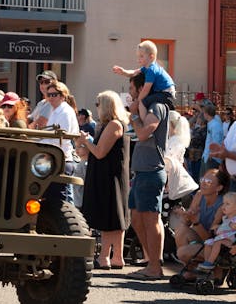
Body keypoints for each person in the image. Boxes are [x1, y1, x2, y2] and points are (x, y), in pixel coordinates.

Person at [125, 72, 169, 280]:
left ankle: (155, 266)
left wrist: (133, 115)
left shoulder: (157, 107)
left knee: (151, 220)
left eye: (133, 88)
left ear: (142, 89)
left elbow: (144, 134)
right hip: (142, 172)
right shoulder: (146, 107)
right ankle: (151, 261)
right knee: (136, 218)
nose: (130, 92)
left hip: (152, 171)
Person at [80, 90, 130, 270]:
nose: (97, 107)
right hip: (108, 175)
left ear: (107, 106)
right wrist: (85, 144)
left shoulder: (115, 125)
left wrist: (86, 142)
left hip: (110, 177)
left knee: (111, 218)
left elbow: (100, 152)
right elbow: (91, 153)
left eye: (98, 104)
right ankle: (116, 257)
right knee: (114, 218)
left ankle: (105, 257)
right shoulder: (110, 125)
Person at [173, 168, 230, 268]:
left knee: (182, 252)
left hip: (216, 246)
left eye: (208, 182)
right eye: (203, 180)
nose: (203, 184)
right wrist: (184, 215)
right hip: (203, 241)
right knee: (181, 228)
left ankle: (213, 269)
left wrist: (196, 222)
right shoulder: (199, 195)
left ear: (219, 188)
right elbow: (187, 221)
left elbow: (209, 238)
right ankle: (189, 270)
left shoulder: (222, 205)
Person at [39, 81, 79, 203]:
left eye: (54, 94)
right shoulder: (55, 110)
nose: (50, 97)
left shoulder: (65, 112)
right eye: (48, 94)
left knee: (61, 202)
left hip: (61, 159)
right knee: (53, 198)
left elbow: (61, 138)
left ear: (62, 96)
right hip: (54, 158)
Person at [112, 40, 176, 111]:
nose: (138, 59)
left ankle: (145, 120)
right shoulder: (146, 68)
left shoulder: (152, 70)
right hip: (161, 92)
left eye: (141, 56)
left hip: (166, 94)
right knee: (144, 100)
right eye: (138, 56)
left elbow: (145, 90)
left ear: (151, 57)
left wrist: (137, 102)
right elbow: (134, 73)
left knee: (143, 102)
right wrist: (124, 72)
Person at [197, 191, 236, 271]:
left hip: (230, 242)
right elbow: (226, 230)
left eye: (227, 204)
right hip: (222, 239)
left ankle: (210, 262)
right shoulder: (226, 218)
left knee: (217, 243)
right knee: (208, 243)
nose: (223, 206)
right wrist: (218, 228)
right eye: (223, 203)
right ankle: (208, 262)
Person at [201, 102, 224, 174]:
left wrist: (212, 154)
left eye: (204, 112)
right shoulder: (211, 123)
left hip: (212, 158)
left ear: (207, 113)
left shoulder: (215, 125)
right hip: (207, 156)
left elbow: (216, 141)